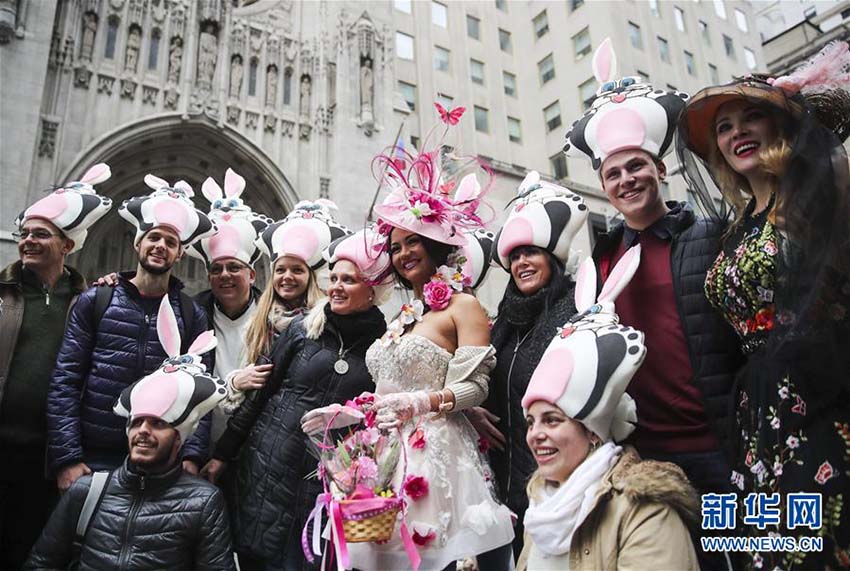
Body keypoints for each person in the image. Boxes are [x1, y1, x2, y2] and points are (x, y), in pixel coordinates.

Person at [563, 40, 741, 570]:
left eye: (637, 166)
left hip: (720, 446)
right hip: (645, 456)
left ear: (660, 169)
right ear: (604, 186)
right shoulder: (598, 260)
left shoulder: (711, 235)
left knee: (749, 555)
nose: (627, 180)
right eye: (614, 174)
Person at [677, 42, 850, 570]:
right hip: (757, 415)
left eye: (752, 117)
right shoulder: (732, 229)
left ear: (781, 128)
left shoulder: (818, 196)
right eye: (724, 128)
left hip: (825, 396)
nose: (736, 133)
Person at [341, 128, 514, 570]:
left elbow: (475, 387)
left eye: (413, 241)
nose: (403, 254)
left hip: (436, 459)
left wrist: (422, 401)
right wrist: (354, 413)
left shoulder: (465, 305)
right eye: (395, 247)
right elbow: (385, 382)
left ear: (436, 243)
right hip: (383, 456)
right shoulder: (403, 315)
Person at [203, 223, 373, 571]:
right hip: (267, 465)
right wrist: (223, 454)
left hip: (324, 479)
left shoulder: (382, 343)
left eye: (349, 280)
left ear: (372, 289)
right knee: (255, 554)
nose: (337, 287)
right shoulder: (302, 328)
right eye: (334, 279)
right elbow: (260, 396)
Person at [517, 247, 699, 571]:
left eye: (552, 420)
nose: (535, 435)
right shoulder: (540, 504)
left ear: (593, 433)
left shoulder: (645, 509)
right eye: (531, 422)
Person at [26, 297, 235, 571]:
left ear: (178, 438)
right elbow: (41, 563)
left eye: (158, 424)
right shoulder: (88, 492)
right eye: (137, 422)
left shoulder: (203, 503)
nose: (143, 431)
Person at [47, 174, 216, 493]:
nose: (160, 246)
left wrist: (192, 458)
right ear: (138, 242)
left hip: (161, 461)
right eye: (153, 238)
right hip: (92, 457)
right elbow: (65, 381)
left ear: (180, 253)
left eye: (170, 242)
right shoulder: (96, 301)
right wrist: (67, 458)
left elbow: (201, 391)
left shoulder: (192, 315)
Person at [466, 170, 588, 564]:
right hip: (505, 481)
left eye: (531, 253)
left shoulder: (578, 313)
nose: (522, 263)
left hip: (561, 482)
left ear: (552, 256)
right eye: (515, 256)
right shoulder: (502, 325)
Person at [0, 164, 112, 571]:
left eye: (40, 234)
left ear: (67, 245)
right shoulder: (2, 292)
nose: (28, 241)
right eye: (24, 234)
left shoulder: (90, 301)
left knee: (29, 550)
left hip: (47, 456)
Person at [215, 200, 344, 417]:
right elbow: (245, 392)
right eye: (280, 270)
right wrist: (236, 382)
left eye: (297, 270)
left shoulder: (327, 320)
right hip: (258, 429)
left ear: (310, 277)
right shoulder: (257, 324)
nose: (287, 277)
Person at [190, 168, 271, 443]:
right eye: (217, 269)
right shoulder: (189, 315)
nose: (224, 275)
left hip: (254, 442)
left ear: (251, 274)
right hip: (199, 442)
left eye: (234, 267)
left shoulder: (275, 319)